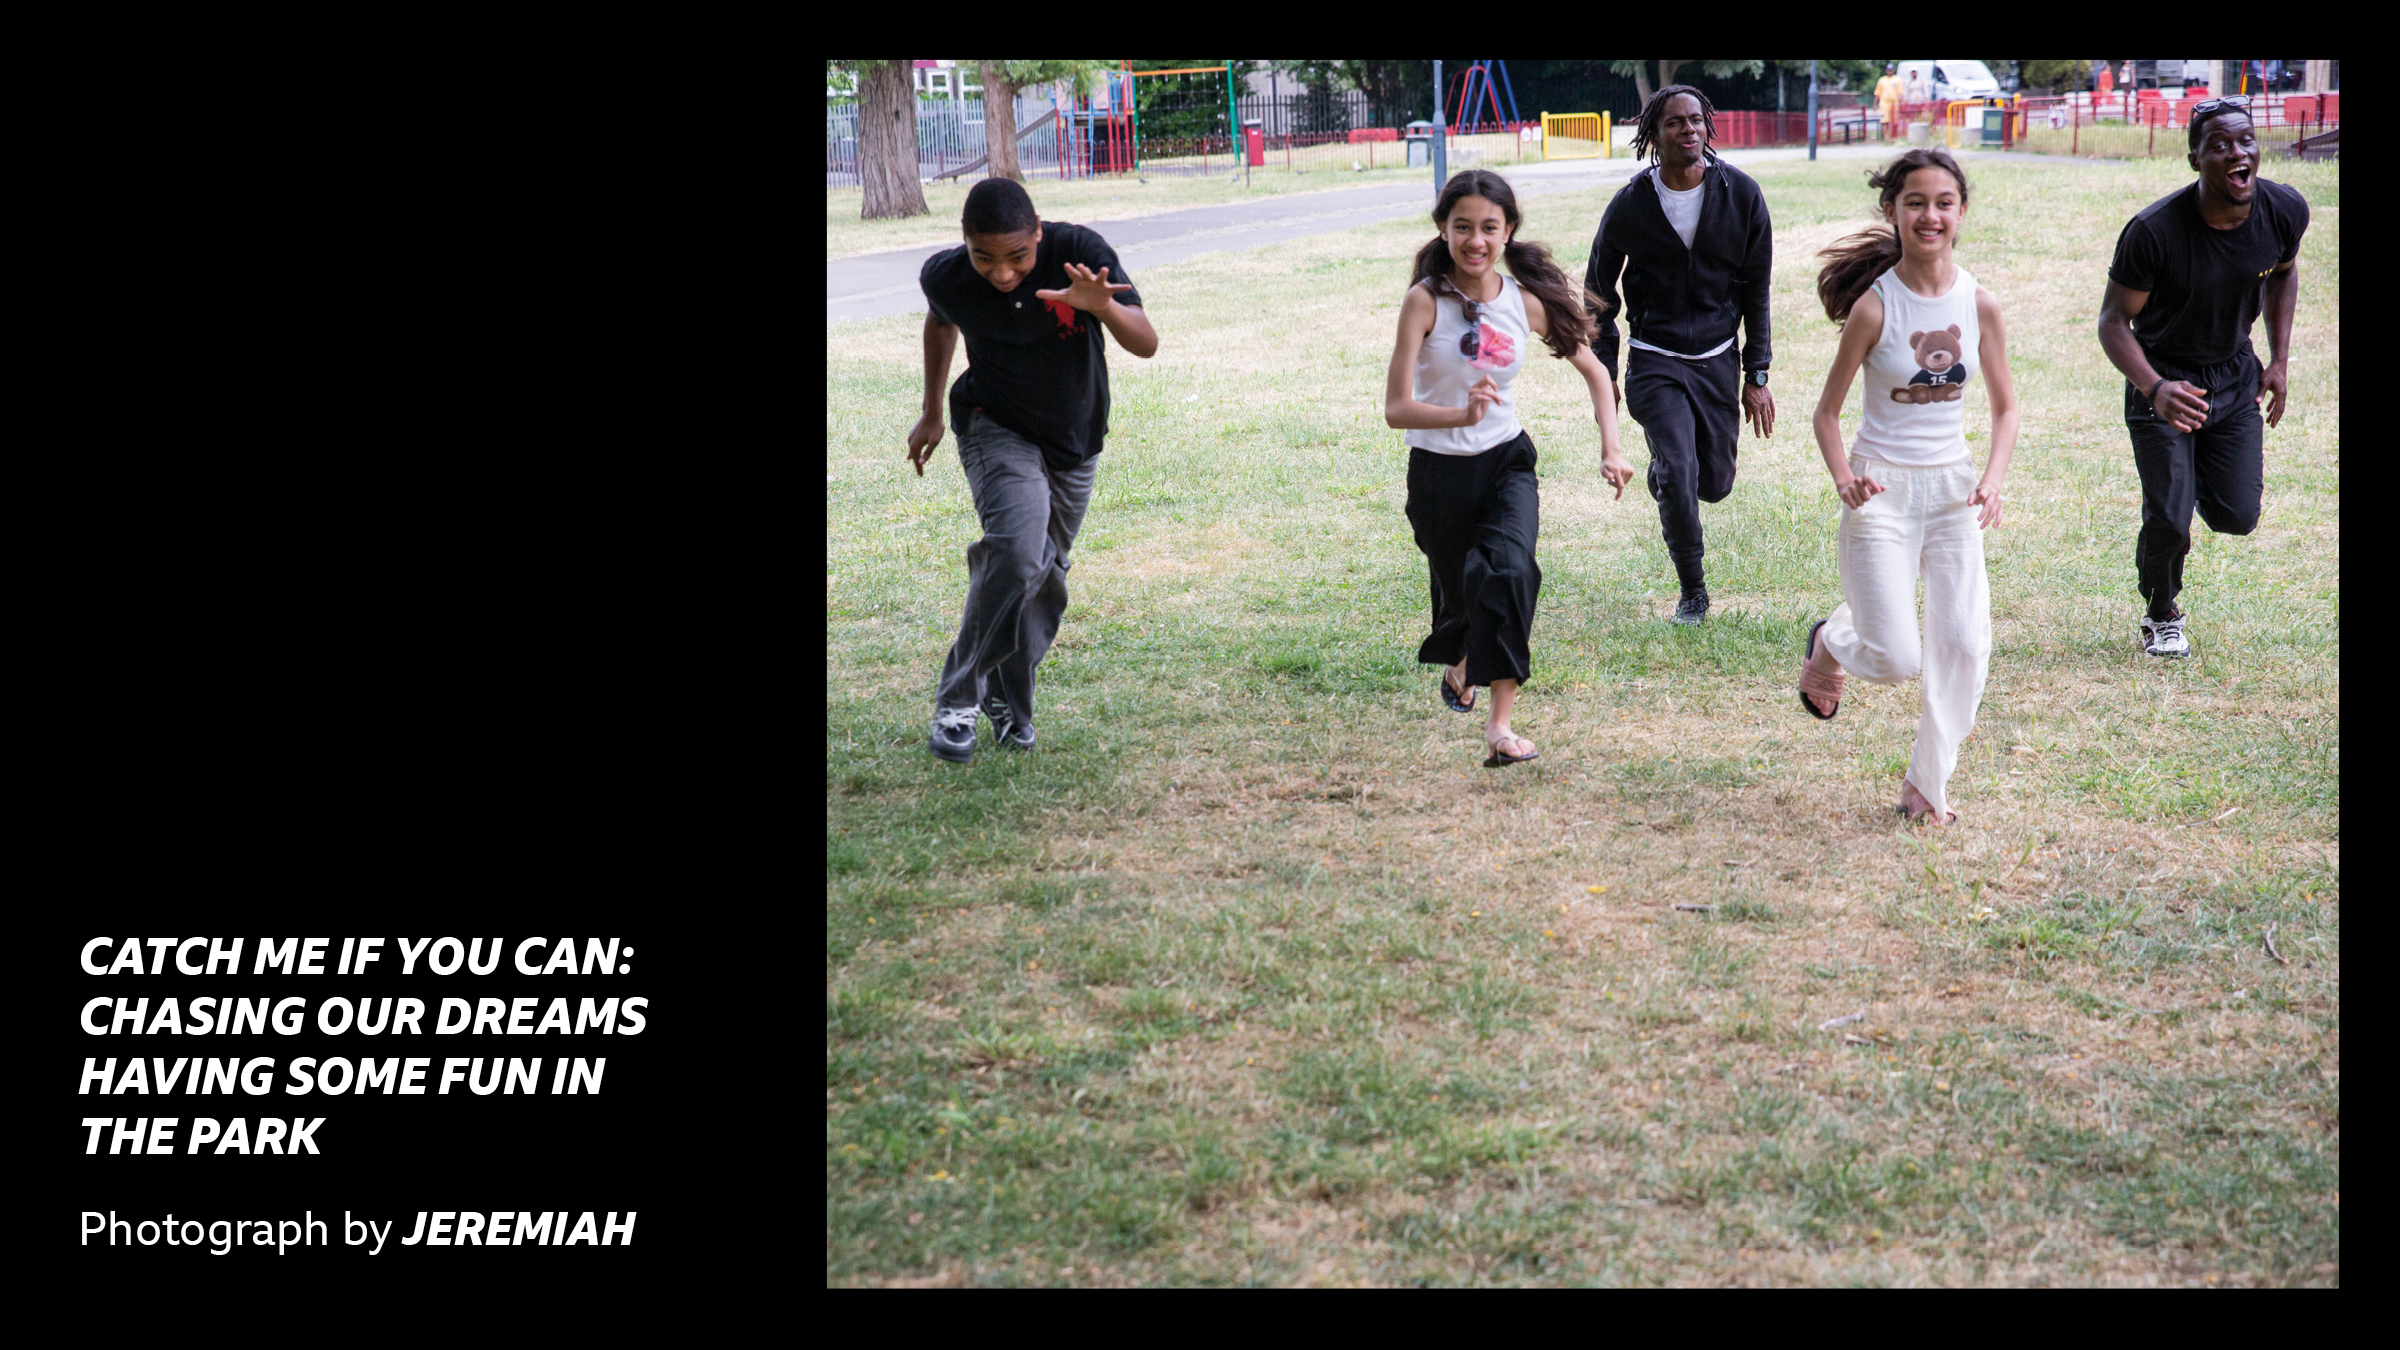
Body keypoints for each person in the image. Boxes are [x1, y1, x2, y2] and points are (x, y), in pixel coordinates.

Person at [1798, 148, 2019, 826]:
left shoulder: (1978, 303)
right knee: (1895, 658)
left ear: (1961, 211)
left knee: (1964, 643)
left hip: (1953, 491)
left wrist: (1992, 480)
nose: (1930, 215)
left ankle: (1927, 788)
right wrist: (1844, 477)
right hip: (1882, 490)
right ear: (1893, 211)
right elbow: (1827, 413)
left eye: (1943, 202)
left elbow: (2007, 407)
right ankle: (1833, 642)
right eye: (1915, 202)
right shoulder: (1874, 308)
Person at [1385, 169, 1631, 768]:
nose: (1476, 240)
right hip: (1438, 474)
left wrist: (1612, 446)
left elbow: (1597, 372)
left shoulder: (1523, 304)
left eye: (1488, 228)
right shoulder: (1425, 301)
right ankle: (1463, 657)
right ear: (1443, 230)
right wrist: (1457, 412)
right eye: (1462, 226)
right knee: (1463, 597)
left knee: (1512, 572)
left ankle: (1500, 726)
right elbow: (1395, 409)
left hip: (1506, 464)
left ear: (1508, 231)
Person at [908, 178, 1159, 762]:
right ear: (965, 242)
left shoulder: (1078, 256)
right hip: (993, 423)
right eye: (984, 257)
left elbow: (1145, 343)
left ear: (1038, 232)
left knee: (1044, 581)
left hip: (1074, 440)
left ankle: (1008, 702)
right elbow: (941, 321)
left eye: (1017, 256)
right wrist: (930, 412)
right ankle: (959, 699)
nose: (1001, 273)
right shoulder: (947, 276)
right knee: (1018, 551)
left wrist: (1103, 307)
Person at [2097, 97, 2306, 659]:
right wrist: (2155, 388)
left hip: (2235, 374)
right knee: (2170, 514)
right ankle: (2161, 613)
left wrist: (2278, 359)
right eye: (2220, 145)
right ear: (2196, 160)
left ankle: (2189, 485)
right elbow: (2113, 322)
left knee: (2237, 516)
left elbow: (2282, 275)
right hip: (2164, 380)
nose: (2238, 153)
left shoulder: (2283, 210)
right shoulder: (2154, 231)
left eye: (2245, 141)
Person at [1583, 85, 1775, 626]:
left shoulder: (1741, 195)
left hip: (1717, 357)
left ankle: (1667, 476)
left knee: (1713, 483)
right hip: (1655, 358)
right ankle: (1693, 591)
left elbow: (1757, 290)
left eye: (1695, 121)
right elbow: (1598, 289)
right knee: (1680, 467)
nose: (1688, 129)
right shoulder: (1631, 204)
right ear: (1655, 134)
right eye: (1674, 123)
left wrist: (1755, 372)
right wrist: (1605, 364)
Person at [1875, 64, 1905, 142]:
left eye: (1891, 70)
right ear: (1886, 71)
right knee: (1884, 121)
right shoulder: (1882, 80)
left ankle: (1893, 138)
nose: (1890, 72)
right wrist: (1874, 104)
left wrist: (1903, 102)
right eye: (1888, 70)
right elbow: (1877, 93)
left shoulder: (1897, 79)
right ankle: (1886, 138)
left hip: (1894, 103)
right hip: (1884, 103)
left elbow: (1900, 92)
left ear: (1893, 71)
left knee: (1894, 121)